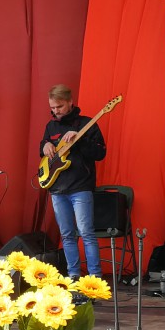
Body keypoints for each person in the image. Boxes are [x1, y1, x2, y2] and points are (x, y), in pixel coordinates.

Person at [41, 84, 106, 279]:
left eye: (59, 106)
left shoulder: (86, 123)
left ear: (70, 102)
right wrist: (44, 145)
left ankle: (95, 277)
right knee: (67, 235)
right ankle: (73, 275)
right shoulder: (51, 126)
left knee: (86, 233)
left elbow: (100, 153)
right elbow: (44, 148)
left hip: (80, 187)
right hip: (57, 188)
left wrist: (80, 139)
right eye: (52, 107)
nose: (56, 111)